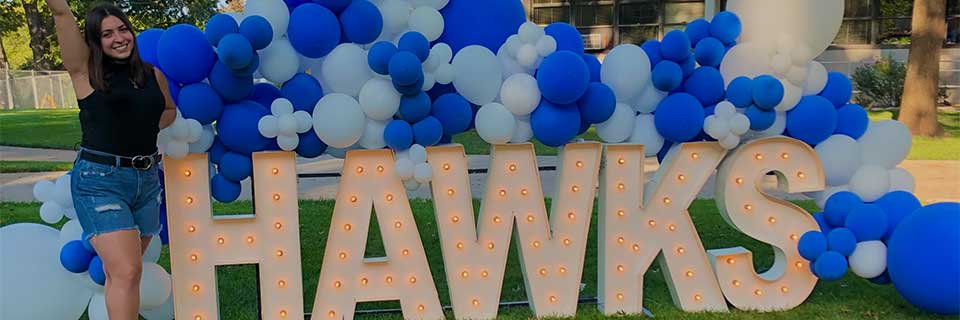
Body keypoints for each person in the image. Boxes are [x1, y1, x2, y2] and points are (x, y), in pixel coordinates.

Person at [46, 1, 177, 318]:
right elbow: (61, 13)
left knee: (127, 273)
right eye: (107, 34)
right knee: (127, 271)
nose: (119, 38)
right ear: (96, 41)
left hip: (145, 182)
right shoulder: (86, 73)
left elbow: (169, 111)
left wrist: (143, 123)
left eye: (123, 29)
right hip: (100, 181)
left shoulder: (151, 74)